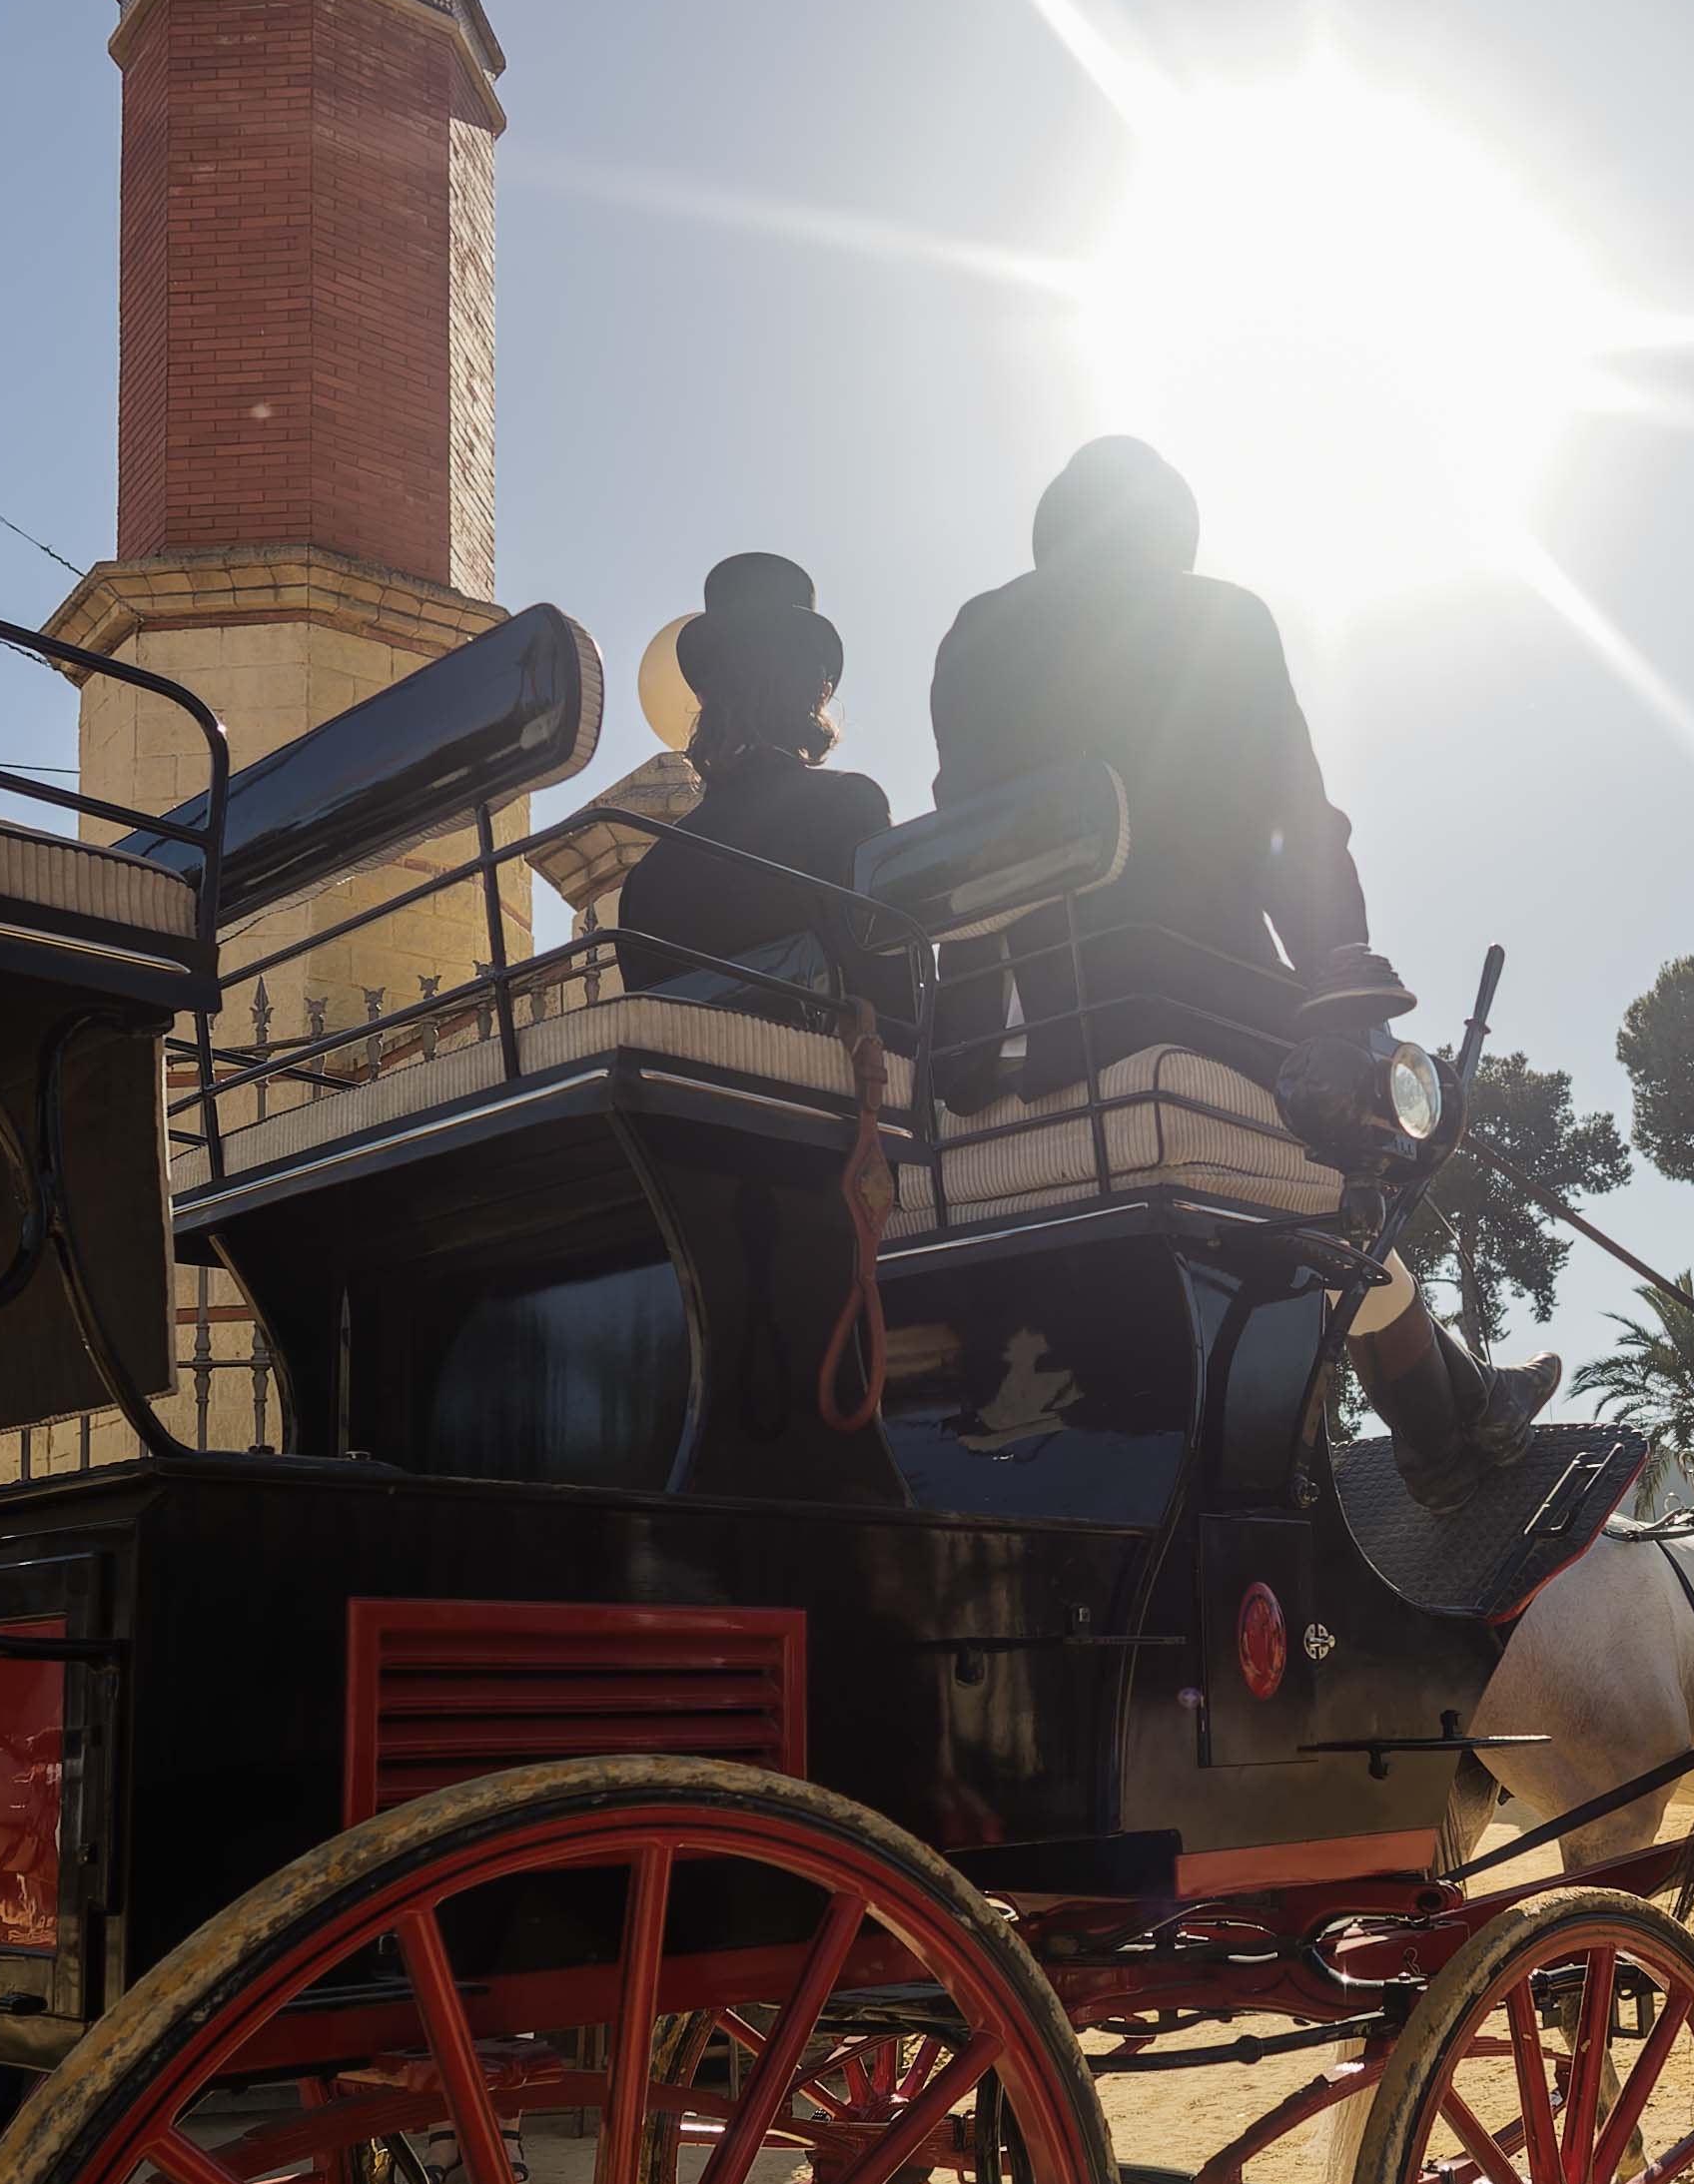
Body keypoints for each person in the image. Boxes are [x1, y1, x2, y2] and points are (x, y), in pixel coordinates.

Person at [922, 434, 1556, 1477]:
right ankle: (1446, 1434)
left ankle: (1464, 1406)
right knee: (1352, 1141)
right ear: (1169, 530)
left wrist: (970, 1047)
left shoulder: (972, 641)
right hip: (1201, 1001)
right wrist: (1348, 996)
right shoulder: (1220, 617)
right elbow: (1298, 828)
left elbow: (963, 857)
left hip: (1044, 1025)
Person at [618, 551, 891, 998]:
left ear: (705, 698)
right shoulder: (849, 805)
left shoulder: (645, 882)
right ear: (816, 692)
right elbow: (892, 1001)